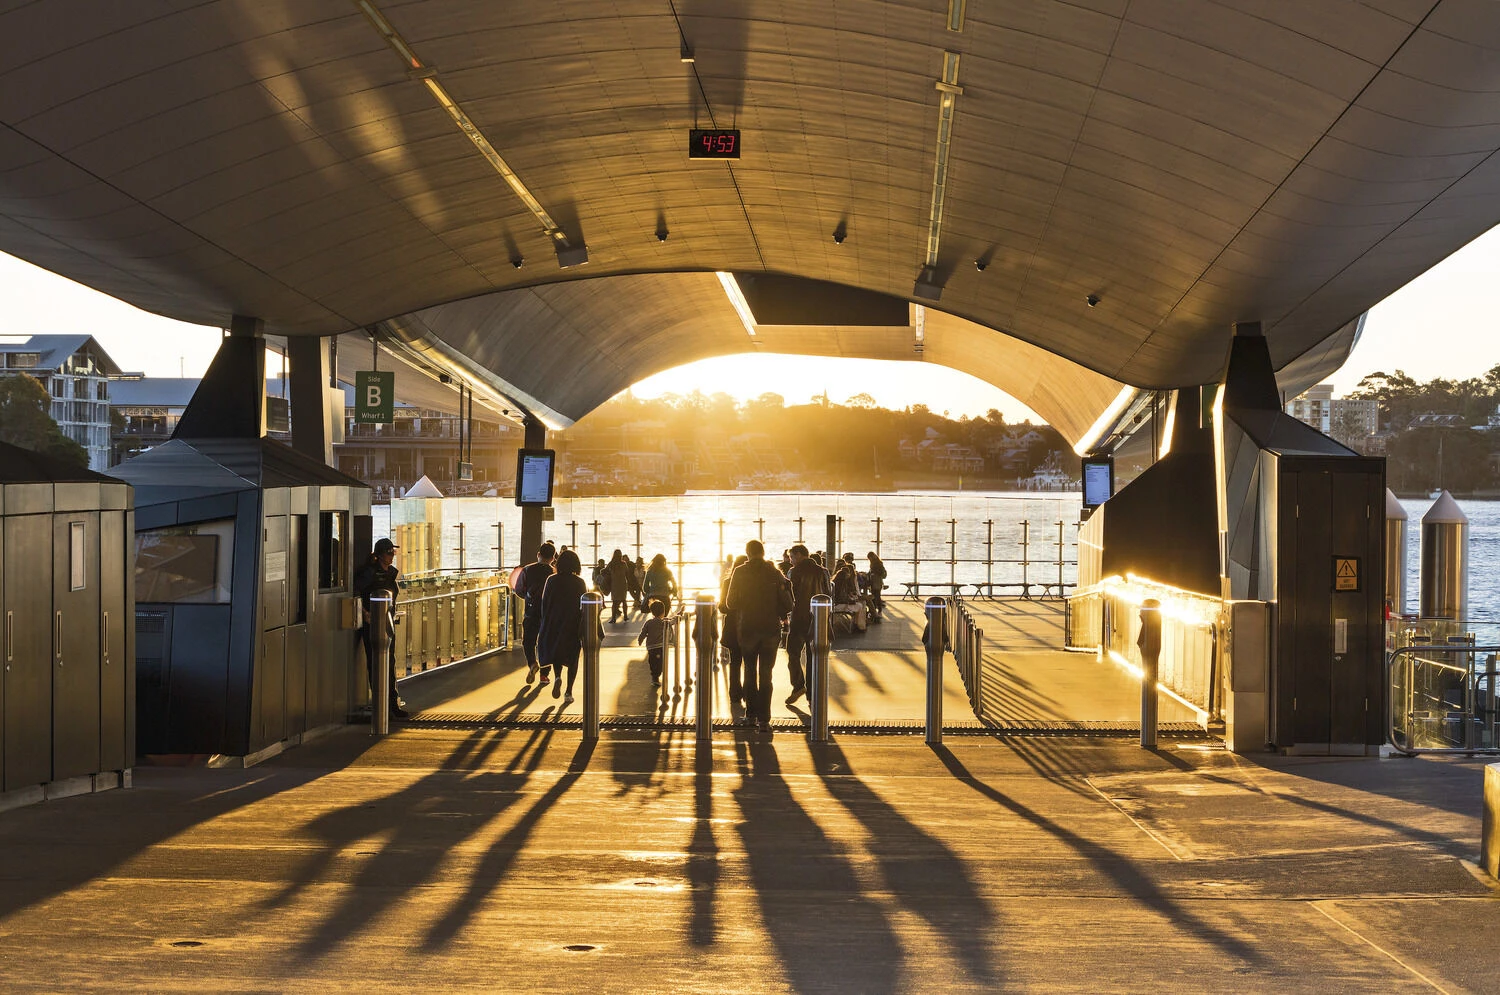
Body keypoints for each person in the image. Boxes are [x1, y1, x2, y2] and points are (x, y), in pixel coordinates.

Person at [724, 539, 793, 732]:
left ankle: (751, 715)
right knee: (766, 675)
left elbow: (730, 603)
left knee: (749, 671)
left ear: (747, 553)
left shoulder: (739, 572)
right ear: (763, 552)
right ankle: (765, 720)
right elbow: (788, 604)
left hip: (747, 629)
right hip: (770, 629)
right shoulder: (774, 572)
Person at [354, 537, 408, 719]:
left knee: (389, 663)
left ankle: (392, 704)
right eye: (389, 552)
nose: (392, 555)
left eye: (393, 552)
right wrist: (365, 613)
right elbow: (356, 593)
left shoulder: (391, 573)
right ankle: (381, 705)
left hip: (387, 623)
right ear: (380, 555)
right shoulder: (369, 574)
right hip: (372, 625)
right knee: (375, 664)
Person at [538, 549, 589, 705]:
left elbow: (544, 603)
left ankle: (558, 676)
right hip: (572, 623)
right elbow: (584, 606)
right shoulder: (579, 582)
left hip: (554, 622)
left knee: (557, 652)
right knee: (573, 657)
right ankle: (568, 692)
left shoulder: (551, 580)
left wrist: (546, 622)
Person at [783, 544, 831, 703]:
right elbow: (828, 595)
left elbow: (790, 596)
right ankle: (812, 693)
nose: (790, 561)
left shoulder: (793, 572)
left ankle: (798, 685)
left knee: (792, 652)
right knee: (813, 656)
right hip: (818, 618)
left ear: (798, 555)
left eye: (791, 557)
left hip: (799, 618)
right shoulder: (823, 571)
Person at [515, 541, 557, 684]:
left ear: (538, 554)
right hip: (548, 614)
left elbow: (519, 589)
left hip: (531, 611)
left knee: (528, 641)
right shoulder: (554, 572)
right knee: (546, 642)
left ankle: (533, 663)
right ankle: (544, 675)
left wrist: (528, 597)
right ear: (553, 558)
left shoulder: (527, 570)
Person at [719, 553, 749, 707]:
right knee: (750, 663)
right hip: (751, 627)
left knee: (735, 662)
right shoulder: (755, 583)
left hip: (733, 627)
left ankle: (734, 694)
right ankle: (749, 693)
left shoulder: (727, 582)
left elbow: (722, 607)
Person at [637, 599, 669, 687]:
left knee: (653, 662)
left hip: (651, 647)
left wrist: (640, 640)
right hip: (659, 646)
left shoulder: (649, 622)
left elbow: (643, 632)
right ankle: (656, 677)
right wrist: (681, 612)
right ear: (663, 612)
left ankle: (654, 677)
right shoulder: (664, 622)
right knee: (659, 663)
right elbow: (674, 621)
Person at [832, 556, 867, 631]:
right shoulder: (842, 586)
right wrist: (851, 601)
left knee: (860, 605)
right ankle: (859, 625)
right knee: (860, 606)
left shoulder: (836, 584)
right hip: (839, 605)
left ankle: (857, 624)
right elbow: (841, 599)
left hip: (837, 604)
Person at [606, 549, 637, 623]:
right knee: (624, 600)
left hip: (614, 584)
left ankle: (613, 618)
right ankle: (625, 616)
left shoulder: (611, 564)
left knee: (614, 602)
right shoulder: (623, 564)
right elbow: (627, 574)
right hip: (623, 584)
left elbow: (606, 571)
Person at [865, 551, 887, 620]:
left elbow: (876, 572)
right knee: (876, 595)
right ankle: (876, 609)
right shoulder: (878, 563)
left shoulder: (877, 564)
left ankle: (875, 609)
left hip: (875, 581)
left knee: (875, 595)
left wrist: (872, 573)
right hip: (877, 582)